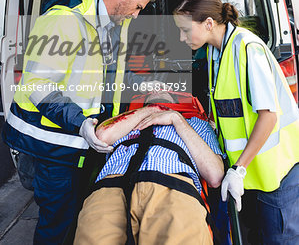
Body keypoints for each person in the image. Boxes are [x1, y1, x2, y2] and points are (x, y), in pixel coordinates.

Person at [2, 0, 163, 245]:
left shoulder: (114, 24)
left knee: (75, 216)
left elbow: (109, 75)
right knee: (58, 225)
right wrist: (81, 122)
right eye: (138, 7)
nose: (136, 15)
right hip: (51, 144)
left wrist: (143, 86)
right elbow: (38, 85)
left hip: (79, 141)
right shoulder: (64, 21)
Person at [174, 0, 299, 244]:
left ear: (209, 24)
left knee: (279, 239)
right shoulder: (213, 52)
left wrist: (239, 169)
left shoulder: (247, 49)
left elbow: (268, 116)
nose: (181, 37)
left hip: (276, 170)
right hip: (249, 170)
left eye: (186, 30)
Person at [74, 91, 225, 245]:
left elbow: (215, 175)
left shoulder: (196, 124)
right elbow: (101, 137)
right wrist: (152, 109)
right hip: (111, 187)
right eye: (152, 89)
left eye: (165, 88)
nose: (158, 88)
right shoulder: (128, 120)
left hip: (174, 187)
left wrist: (175, 118)